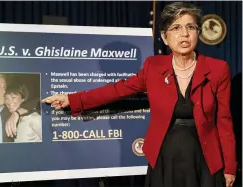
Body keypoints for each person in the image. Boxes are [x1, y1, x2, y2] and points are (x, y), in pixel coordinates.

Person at [41, 2, 237, 187]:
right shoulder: (154, 67)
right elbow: (117, 90)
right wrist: (72, 99)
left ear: (198, 32)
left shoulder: (218, 69)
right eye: (176, 28)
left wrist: (230, 167)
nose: (184, 34)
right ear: (165, 36)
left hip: (205, 159)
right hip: (163, 157)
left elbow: (224, 122)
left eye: (190, 27)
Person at [0, 73, 39, 143]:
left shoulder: (11, 111)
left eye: (4, 87)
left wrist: (17, 112)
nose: (4, 91)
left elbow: (39, 101)